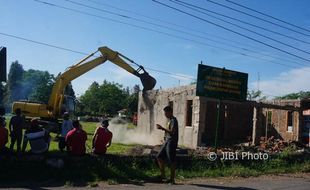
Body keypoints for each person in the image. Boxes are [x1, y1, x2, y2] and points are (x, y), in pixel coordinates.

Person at [156, 106, 179, 184]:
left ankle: (172, 179)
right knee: (159, 157)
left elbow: (172, 132)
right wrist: (164, 138)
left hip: (171, 142)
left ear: (170, 112)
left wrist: (162, 128)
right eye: (164, 113)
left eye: (166, 112)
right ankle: (163, 175)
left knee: (171, 160)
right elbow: (168, 132)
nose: (165, 114)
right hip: (167, 141)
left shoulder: (174, 120)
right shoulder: (169, 120)